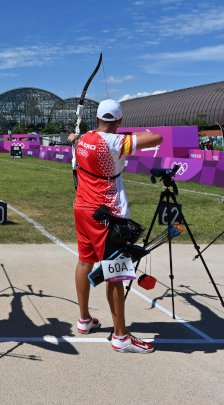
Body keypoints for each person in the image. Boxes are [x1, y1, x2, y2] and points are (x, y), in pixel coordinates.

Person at [68, 100, 163, 353]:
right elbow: (157, 138)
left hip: (83, 208)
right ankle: (121, 337)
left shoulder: (83, 139)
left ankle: (84, 320)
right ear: (119, 121)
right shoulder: (115, 143)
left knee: (85, 261)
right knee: (116, 271)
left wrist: (76, 138)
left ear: (97, 117)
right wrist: (131, 133)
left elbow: (78, 139)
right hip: (107, 213)